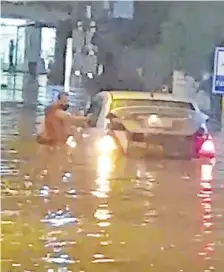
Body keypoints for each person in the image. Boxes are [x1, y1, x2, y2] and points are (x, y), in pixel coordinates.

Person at [34, 92, 90, 184]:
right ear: (58, 100)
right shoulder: (56, 112)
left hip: (53, 144)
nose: (66, 103)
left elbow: (68, 125)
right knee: (51, 166)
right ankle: (49, 183)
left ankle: (44, 182)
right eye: (64, 101)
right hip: (50, 144)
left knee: (50, 166)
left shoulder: (53, 112)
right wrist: (85, 119)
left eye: (67, 101)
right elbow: (70, 118)